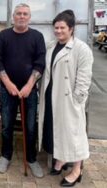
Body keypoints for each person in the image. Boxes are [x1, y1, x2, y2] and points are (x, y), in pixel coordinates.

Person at [38, 10, 93, 187]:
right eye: (56, 28)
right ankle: (61, 160)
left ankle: (77, 170)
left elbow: (84, 79)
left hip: (69, 99)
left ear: (71, 29)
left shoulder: (81, 49)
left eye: (62, 28)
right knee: (57, 130)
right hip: (52, 96)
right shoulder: (52, 46)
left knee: (73, 134)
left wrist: (77, 100)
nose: (59, 31)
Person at [0, 3, 46, 178]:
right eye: (19, 14)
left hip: (29, 90)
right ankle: (6, 156)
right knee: (7, 126)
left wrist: (29, 85)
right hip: (8, 90)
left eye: (25, 14)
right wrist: (8, 84)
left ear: (29, 17)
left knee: (30, 127)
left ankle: (31, 159)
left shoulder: (37, 37)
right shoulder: (3, 36)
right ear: (13, 16)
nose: (22, 16)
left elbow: (40, 62)